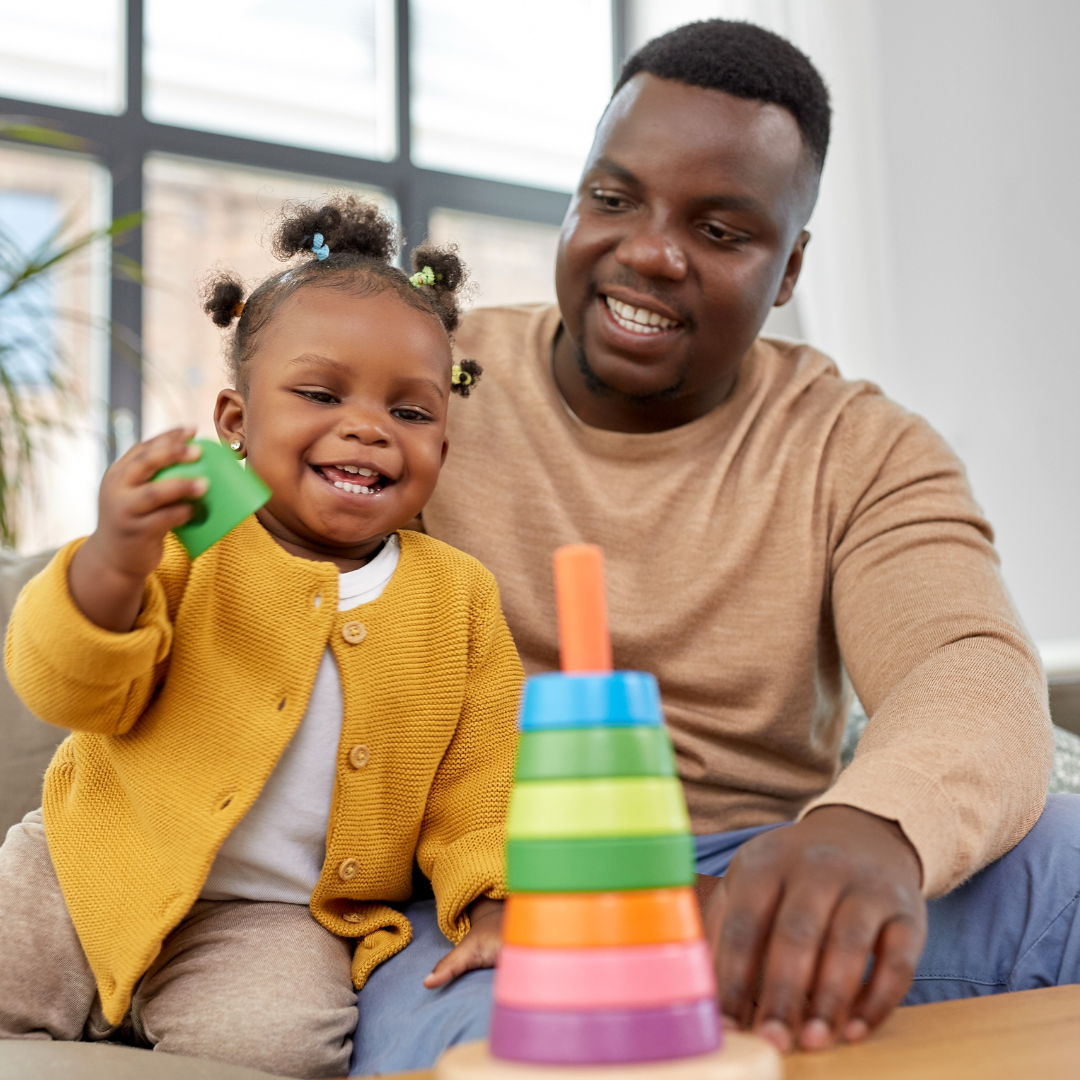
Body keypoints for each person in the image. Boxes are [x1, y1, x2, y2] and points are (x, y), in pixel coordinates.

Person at [421, 19, 1080, 1055]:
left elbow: (966, 663)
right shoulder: (423, 383)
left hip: (763, 882)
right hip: (497, 893)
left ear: (788, 270)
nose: (647, 251)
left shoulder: (859, 445)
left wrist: (873, 830)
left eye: (720, 230)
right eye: (612, 198)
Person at [0, 196, 522, 1079]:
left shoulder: (456, 595)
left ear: (445, 435)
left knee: (277, 1048)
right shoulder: (196, 533)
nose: (368, 427)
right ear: (235, 423)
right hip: (87, 864)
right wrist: (115, 561)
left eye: (411, 412)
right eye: (321, 395)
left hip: (273, 917)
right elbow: (72, 690)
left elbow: (482, 781)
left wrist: (500, 901)